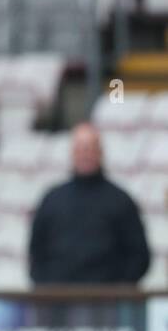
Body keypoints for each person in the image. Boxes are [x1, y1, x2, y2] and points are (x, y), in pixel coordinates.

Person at [29, 122, 150, 285]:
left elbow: (139, 256)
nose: (85, 154)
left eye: (90, 148)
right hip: (58, 300)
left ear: (100, 152)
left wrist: (116, 289)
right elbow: (36, 252)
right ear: (72, 153)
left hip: (107, 302)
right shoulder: (52, 199)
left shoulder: (121, 200)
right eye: (80, 148)